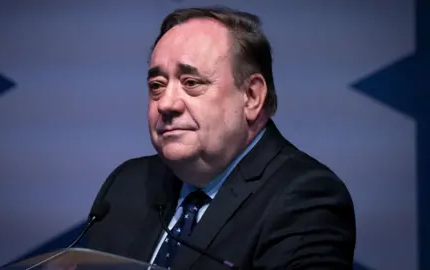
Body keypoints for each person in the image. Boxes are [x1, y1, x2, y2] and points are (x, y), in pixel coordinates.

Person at [86, 6, 356, 270]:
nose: (166, 103)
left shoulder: (305, 199)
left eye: (191, 82)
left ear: (251, 96)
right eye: (157, 86)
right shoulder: (127, 185)